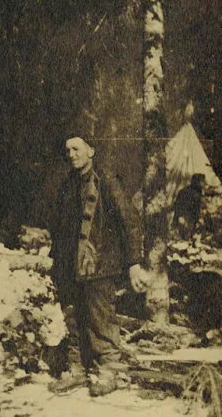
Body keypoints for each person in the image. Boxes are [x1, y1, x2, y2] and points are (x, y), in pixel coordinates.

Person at [48, 135, 146, 397]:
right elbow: (60, 228)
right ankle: (77, 370)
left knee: (101, 320)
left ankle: (109, 371)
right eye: (67, 149)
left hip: (101, 265)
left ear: (90, 151)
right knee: (74, 319)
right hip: (70, 268)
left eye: (76, 148)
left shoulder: (106, 182)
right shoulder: (67, 184)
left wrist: (134, 263)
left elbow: (130, 222)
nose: (71, 154)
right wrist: (56, 264)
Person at [172, 173, 207, 238]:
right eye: (202, 181)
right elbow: (178, 206)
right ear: (197, 182)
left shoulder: (199, 192)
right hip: (185, 218)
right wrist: (180, 217)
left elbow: (200, 207)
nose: (204, 184)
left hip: (194, 218)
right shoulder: (185, 192)